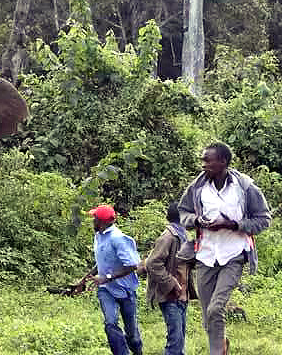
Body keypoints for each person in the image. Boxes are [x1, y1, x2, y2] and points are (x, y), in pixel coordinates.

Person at [178, 142, 271, 355]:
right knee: (207, 316)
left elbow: (264, 219)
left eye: (207, 160)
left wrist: (234, 225)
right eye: (202, 160)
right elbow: (183, 213)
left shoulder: (245, 187)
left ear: (223, 162)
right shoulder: (196, 187)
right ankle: (222, 346)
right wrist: (197, 220)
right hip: (205, 255)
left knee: (215, 308)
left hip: (234, 255)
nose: (203, 165)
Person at [77, 204, 143, 355]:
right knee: (110, 324)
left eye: (94, 218)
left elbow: (133, 265)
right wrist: (84, 279)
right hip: (106, 290)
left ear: (101, 222)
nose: (92, 221)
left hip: (126, 290)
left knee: (132, 334)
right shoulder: (98, 236)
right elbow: (101, 261)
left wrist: (107, 277)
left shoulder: (118, 239)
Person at [145, 201, 197, 355]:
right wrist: (171, 283)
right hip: (170, 295)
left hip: (182, 295)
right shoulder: (168, 237)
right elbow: (153, 263)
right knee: (175, 341)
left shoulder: (184, 235)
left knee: (179, 340)